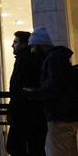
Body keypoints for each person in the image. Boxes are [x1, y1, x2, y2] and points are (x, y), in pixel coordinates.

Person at [24, 26, 78, 155]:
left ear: (40, 45)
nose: (32, 50)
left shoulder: (53, 59)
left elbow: (55, 88)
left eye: (33, 47)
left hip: (59, 116)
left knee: (61, 151)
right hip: (67, 115)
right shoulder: (58, 58)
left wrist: (34, 93)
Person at [6, 31, 46, 156]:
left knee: (14, 146)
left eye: (15, 42)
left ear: (24, 44)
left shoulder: (23, 60)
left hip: (23, 111)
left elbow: (17, 86)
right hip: (34, 111)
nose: (12, 45)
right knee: (35, 147)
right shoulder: (34, 59)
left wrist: (12, 110)